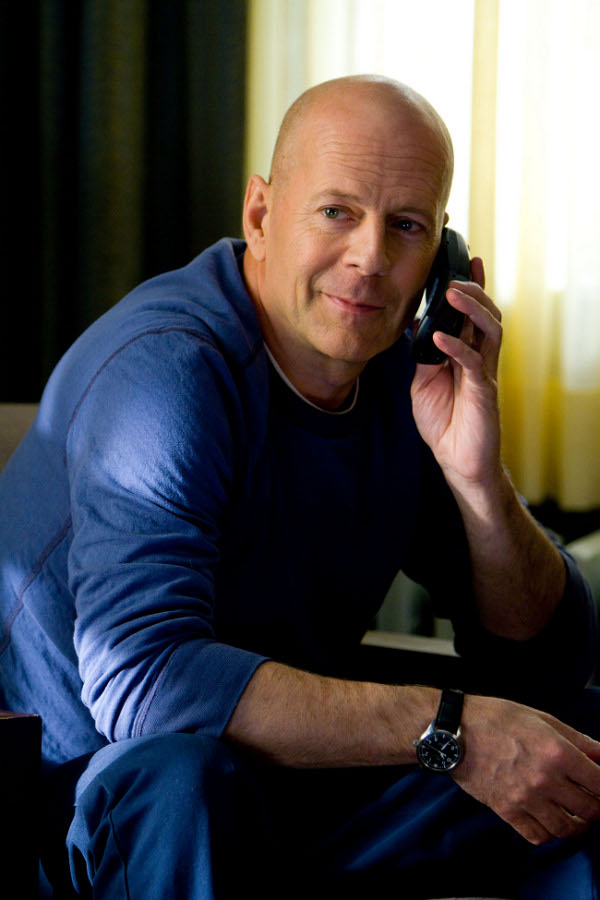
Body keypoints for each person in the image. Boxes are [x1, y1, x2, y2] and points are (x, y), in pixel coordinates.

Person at [1, 74, 599, 898]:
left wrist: (476, 480)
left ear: (444, 258)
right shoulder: (167, 371)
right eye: (337, 212)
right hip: (93, 804)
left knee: (577, 752)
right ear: (260, 215)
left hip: (287, 783)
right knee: (181, 778)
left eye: (407, 226)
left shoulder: (402, 377)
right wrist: (449, 729)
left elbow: (550, 659)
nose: (370, 258)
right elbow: (145, 687)